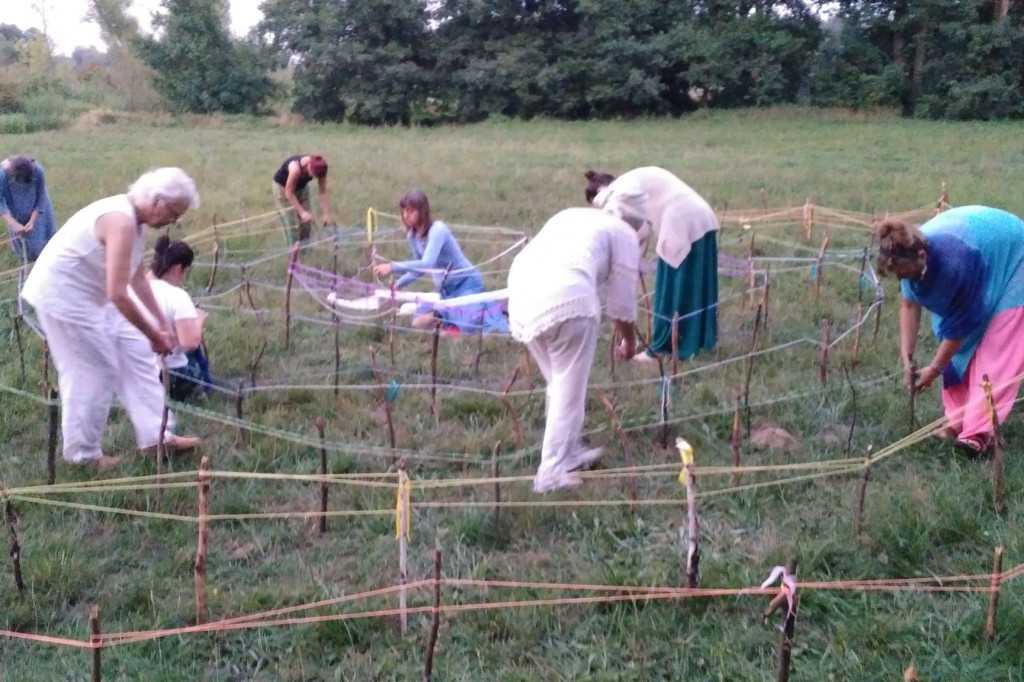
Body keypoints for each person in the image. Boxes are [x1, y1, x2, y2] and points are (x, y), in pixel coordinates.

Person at [20, 168, 199, 470]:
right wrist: (155, 335)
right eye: (173, 212)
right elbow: (118, 293)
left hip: (93, 297)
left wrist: (159, 326)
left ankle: (157, 436)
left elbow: (136, 278)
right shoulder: (120, 220)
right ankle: (83, 457)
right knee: (94, 371)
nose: (174, 221)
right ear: (156, 200)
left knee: (137, 350)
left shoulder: (134, 222)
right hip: (64, 299)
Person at [507, 185, 646, 493]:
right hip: (568, 300)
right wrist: (629, 344)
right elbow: (622, 306)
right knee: (568, 389)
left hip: (522, 292)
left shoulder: (575, 215)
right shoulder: (624, 232)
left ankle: (568, 454)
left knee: (560, 384)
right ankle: (551, 472)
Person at [875, 205, 1024, 457]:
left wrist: (933, 370)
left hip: (1014, 254)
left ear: (922, 257)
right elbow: (909, 307)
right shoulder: (910, 262)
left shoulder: (954, 264)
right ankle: (958, 420)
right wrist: (907, 359)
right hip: (981, 250)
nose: (902, 280)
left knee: (997, 344)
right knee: (958, 350)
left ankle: (978, 433)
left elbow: (958, 329)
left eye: (903, 274)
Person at [585, 167, 718, 362]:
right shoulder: (632, 186)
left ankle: (662, 348)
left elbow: (622, 231)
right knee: (692, 282)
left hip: (681, 223)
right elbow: (638, 234)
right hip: (699, 217)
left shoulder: (618, 192)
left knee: (673, 289)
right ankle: (692, 340)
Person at [371, 189, 509, 334]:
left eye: (410, 211)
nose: (405, 215)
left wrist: (393, 267)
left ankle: (496, 313)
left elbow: (427, 262)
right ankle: (447, 319)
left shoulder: (438, 230)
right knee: (417, 323)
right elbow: (420, 268)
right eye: (403, 211)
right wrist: (398, 285)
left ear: (422, 211)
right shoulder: (412, 236)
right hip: (444, 290)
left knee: (472, 325)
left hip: (466, 284)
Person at [120, 235, 211, 404]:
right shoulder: (178, 296)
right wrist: (198, 320)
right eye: (185, 271)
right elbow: (189, 343)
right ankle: (202, 391)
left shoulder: (130, 291)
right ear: (178, 268)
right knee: (195, 360)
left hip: (133, 369)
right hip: (167, 375)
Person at [0, 155, 57, 262]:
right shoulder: (2, 174)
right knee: (23, 250)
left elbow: (41, 196)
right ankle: (26, 271)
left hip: (38, 210)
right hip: (15, 211)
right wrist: (13, 223)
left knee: (41, 247)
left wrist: (32, 221)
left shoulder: (38, 171)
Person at [272, 154, 331, 244]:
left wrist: (326, 213)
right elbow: (289, 193)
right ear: (309, 167)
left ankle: (305, 249)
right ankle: (293, 253)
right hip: (283, 188)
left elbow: (322, 191)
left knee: (307, 223)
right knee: (292, 225)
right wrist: (302, 212)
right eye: (314, 175)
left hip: (302, 188)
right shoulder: (295, 169)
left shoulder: (321, 169)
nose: (315, 178)